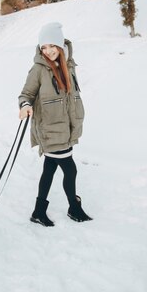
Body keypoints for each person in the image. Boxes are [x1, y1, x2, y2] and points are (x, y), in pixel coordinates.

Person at [18, 22, 93, 227]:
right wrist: (25, 105)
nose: (48, 51)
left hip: (66, 127)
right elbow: (26, 94)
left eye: (52, 46)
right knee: (70, 170)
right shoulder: (38, 69)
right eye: (44, 47)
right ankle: (73, 207)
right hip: (50, 129)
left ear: (60, 46)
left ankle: (38, 211)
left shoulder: (69, 65)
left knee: (50, 167)